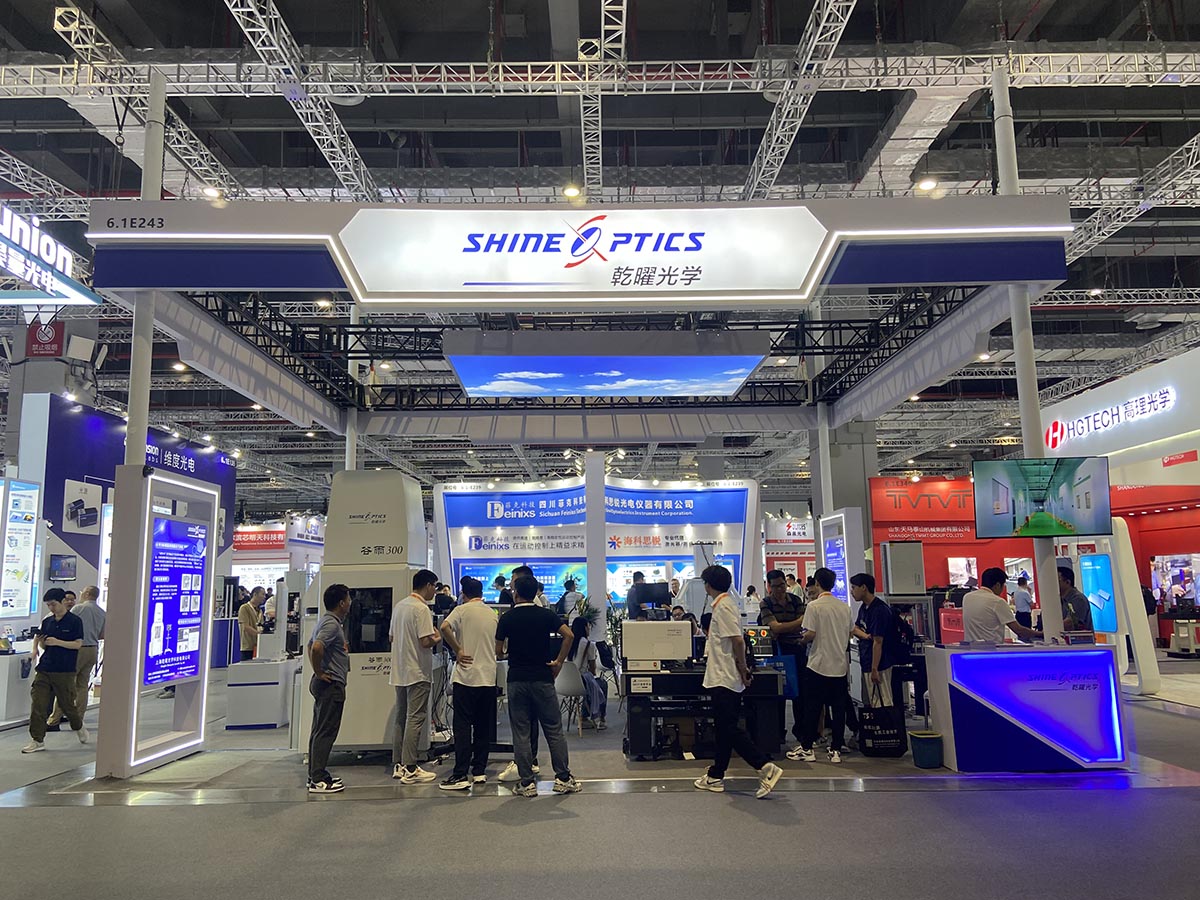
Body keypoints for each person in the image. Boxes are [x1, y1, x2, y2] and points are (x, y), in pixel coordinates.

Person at [692, 565, 783, 798]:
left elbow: (737, 641)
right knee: (724, 729)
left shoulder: (723, 607)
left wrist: (743, 669)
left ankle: (765, 767)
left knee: (729, 729)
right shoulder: (725, 604)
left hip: (725, 677)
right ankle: (716, 775)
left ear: (708, 585)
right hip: (723, 676)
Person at [495, 574, 581, 797]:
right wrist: (559, 661)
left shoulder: (507, 618)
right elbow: (569, 635)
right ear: (535, 593)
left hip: (517, 679)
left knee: (521, 732)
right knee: (554, 730)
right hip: (543, 678)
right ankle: (563, 778)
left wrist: (509, 652)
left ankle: (526, 783)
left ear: (515, 593)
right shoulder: (546, 615)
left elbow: (498, 651)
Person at [786, 568, 853, 765]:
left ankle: (807, 748)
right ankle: (836, 749)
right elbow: (850, 632)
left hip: (817, 665)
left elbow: (810, 633)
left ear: (817, 583)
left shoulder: (814, 607)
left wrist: (801, 640)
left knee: (812, 708)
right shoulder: (844, 607)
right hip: (839, 666)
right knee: (839, 709)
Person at [438, 576, 499, 790]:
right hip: (488, 677)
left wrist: (458, 649)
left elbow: (444, 627)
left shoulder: (461, 610)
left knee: (462, 725)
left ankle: (460, 774)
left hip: (466, 676)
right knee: (483, 726)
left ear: (464, 594)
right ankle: (479, 771)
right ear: (481, 593)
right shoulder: (492, 614)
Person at [390, 569, 442, 784]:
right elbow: (425, 641)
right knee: (415, 717)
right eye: (434, 587)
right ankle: (411, 767)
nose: (435, 592)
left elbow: (391, 637)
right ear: (428, 585)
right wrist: (437, 637)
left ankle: (398, 764)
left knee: (401, 716)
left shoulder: (399, 606)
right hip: (418, 670)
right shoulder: (421, 609)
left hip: (400, 669)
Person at [22, 588, 88, 753]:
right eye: (48, 605)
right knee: (38, 705)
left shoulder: (74, 621)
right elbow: (41, 640)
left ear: (62, 601)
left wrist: (58, 642)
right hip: (45, 668)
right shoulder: (48, 621)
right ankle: (37, 740)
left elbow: (78, 644)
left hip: (64, 670)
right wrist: (37, 647)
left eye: (53, 604)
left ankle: (78, 726)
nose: (51, 608)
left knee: (67, 705)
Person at [307, 582, 352, 793]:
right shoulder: (331, 625)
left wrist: (317, 670)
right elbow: (316, 647)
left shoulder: (325, 621)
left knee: (319, 730)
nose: (350, 602)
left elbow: (310, 644)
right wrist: (318, 671)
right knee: (325, 732)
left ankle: (315, 775)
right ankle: (318, 779)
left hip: (326, 683)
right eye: (348, 599)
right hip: (330, 685)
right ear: (341, 603)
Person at [46, 585, 104, 731]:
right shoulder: (101, 612)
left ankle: (54, 720)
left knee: (65, 684)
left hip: (77, 649)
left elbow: (63, 621)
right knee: (82, 686)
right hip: (93, 649)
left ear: (87, 593)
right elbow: (102, 634)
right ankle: (78, 720)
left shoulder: (79, 609)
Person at [759, 569, 808, 742]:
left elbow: (803, 623)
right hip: (777, 651)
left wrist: (781, 628)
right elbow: (775, 627)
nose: (779, 589)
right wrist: (793, 624)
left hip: (797, 650)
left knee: (799, 693)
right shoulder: (765, 603)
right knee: (777, 694)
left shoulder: (795, 600)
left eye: (782, 585)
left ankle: (801, 732)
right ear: (769, 586)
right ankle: (778, 733)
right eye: (775, 586)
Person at [850, 573, 897, 708]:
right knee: (872, 701)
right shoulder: (864, 608)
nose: (852, 592)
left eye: (854, 588)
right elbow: (855, 628)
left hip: (880, 664)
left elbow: (878, 642)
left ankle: (886, 722)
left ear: (863, 587)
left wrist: (874, 668)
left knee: (883, 701)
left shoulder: (879, 610)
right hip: (867, 661)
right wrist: (866, 636)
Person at [963, 567, 1042, 643]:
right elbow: (1019, 630)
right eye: (1004, 585)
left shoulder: (967, 597)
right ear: (997, 585)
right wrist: (1041, 634)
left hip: (970, 648)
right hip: (992, 648)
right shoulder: (997, 601)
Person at [567, 615, 608, 730]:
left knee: (591, 685)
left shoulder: (568, 642)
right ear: (585, 628)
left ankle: (585, 717)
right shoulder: (588, 644)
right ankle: (598, 718)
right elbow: (593, 669)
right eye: (588, 626)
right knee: (601, 684)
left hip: (565, 683)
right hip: (580, 683)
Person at [1058, 567, 1094, 632]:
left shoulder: (1078, 599)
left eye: (1058, 580)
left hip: (1078, 638)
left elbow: (1069, 624)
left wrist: (1046, 630)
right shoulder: (1061, 600)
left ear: (1067, 582)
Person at [237, 587, 265, 661]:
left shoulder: (260, 610)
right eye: (262, 594)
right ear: (255, 594)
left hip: (258, 646)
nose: (264, 597)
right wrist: (259, 635)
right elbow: (245, 627)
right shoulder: (244, 608)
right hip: (247, 647)